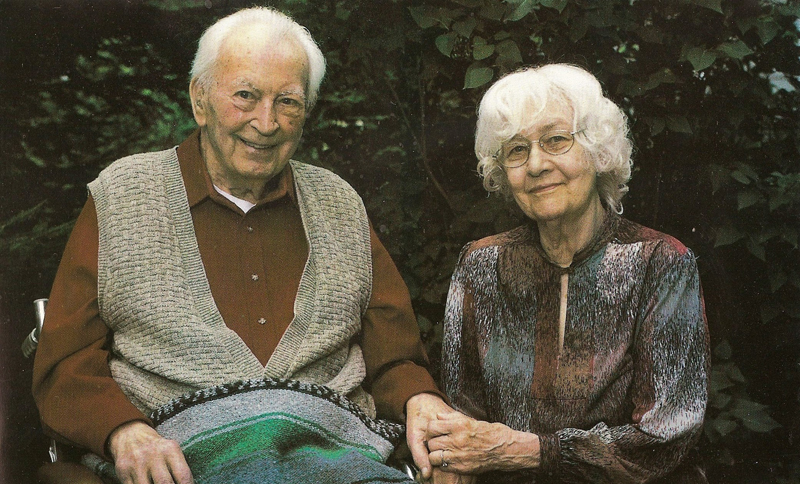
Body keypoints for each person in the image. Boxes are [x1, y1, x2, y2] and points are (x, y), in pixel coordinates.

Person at [32, 7, 452, 484]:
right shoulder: (123, 195)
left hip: (337, 460)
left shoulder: (340, 203)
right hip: (179, 464)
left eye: (288, 102)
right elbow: (65, 362)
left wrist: (422, 399)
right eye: (246, 96)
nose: (266, 122)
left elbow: (395, 357)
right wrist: (123, 431)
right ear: (200, 99)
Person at [424, 64, 709, 484]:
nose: (536, 164)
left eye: (556, 140)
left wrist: (532, 453)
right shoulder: (479, 266)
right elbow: (462, 413)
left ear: (598, 150)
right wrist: (452, 462)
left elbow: (666, 433)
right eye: (516, 150)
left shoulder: (660, 262)